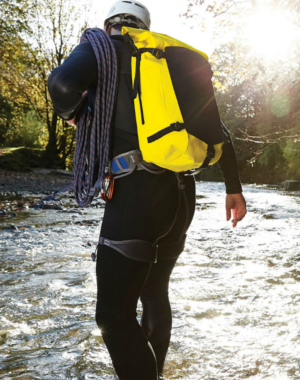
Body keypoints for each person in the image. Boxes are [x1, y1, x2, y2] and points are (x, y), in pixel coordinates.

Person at [47, 1, 247, 379]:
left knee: (113, 315)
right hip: (180, 195)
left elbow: (60, 83)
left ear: (110, 25)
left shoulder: (101, 45)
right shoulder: (173, 57)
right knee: (154, 293)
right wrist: (233, 189)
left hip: (136, 196)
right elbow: (219, 131)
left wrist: (73, 114)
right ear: (144, 26)